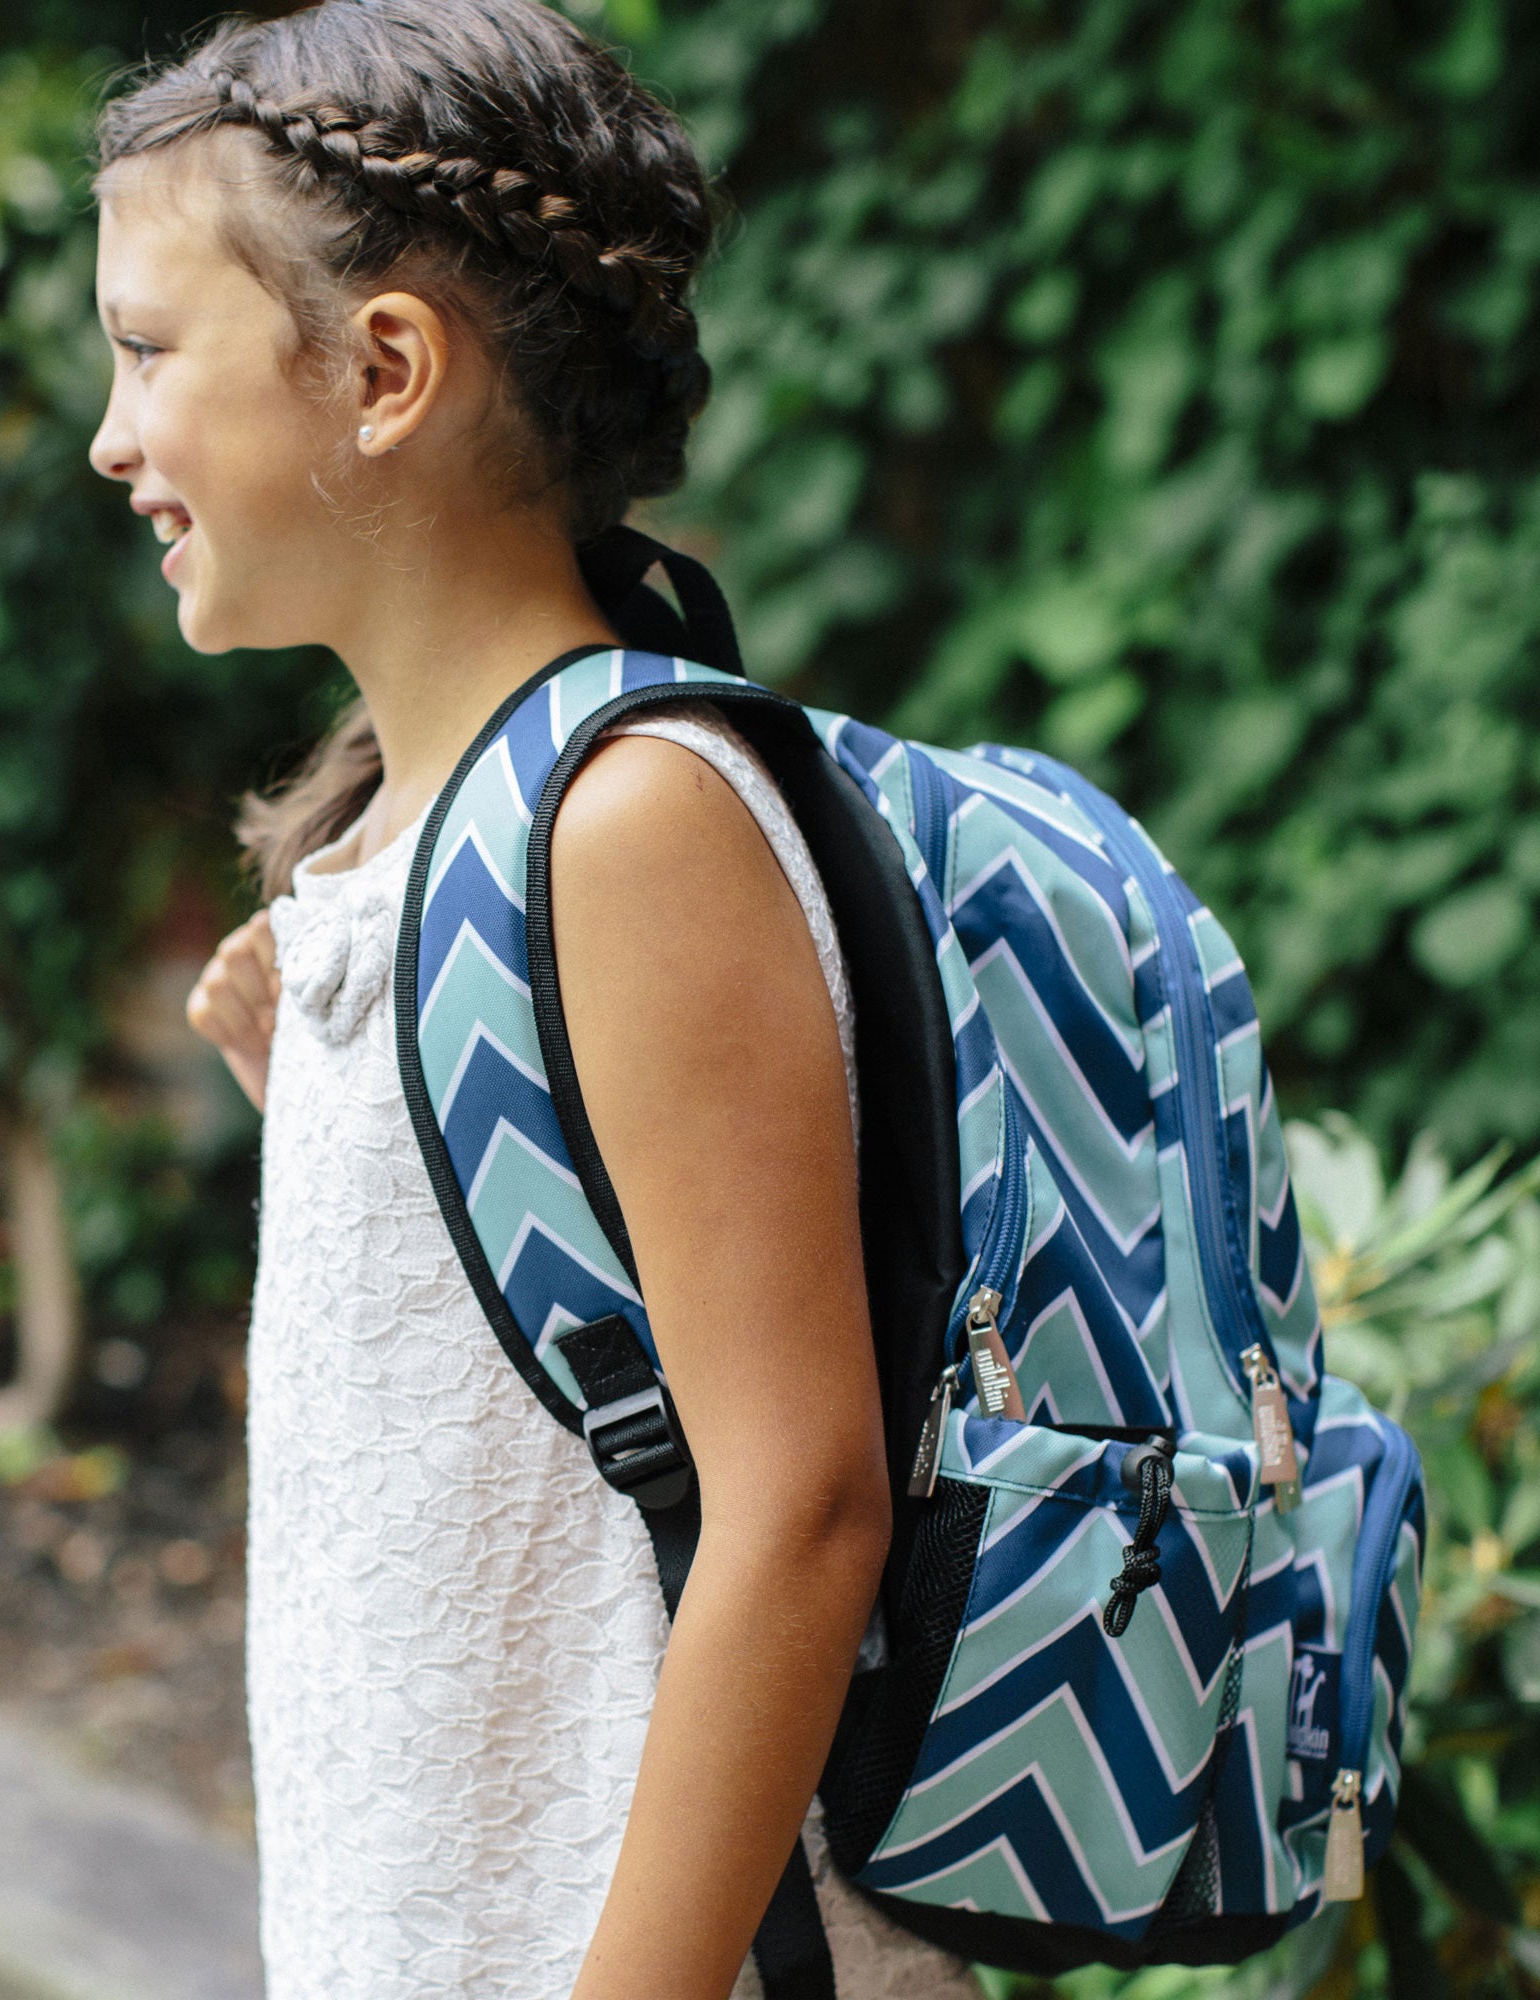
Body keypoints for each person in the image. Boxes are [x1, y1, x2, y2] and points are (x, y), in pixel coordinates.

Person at [88, 6, 979, 1996]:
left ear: (385, 370)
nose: (111, 432)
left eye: (149, 348)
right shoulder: (426, 829)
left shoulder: (631, 817)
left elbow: (799, 1504)